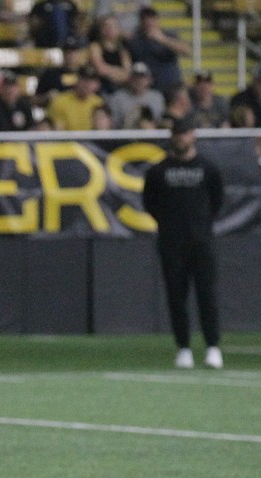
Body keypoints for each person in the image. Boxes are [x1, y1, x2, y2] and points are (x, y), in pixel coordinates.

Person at [142, 116, 225, 370]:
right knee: (176, 297)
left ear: (194, 135)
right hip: (171, 243)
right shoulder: (158, 171)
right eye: (177, 133)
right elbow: (150, 203)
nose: (181, 137)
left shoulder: (208, 169)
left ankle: (212, 347)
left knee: (207, 295)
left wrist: (199, 226)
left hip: (201, 242)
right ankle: (184, 348)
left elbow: (216, 201)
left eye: (185, 133)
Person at [126, 5, 189, 94]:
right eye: (146, 19)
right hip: (149, 88)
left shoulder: (169, 35)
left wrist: (162, 39)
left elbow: (186, 51)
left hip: (172, 85)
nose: (149, 22)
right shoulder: (135, 40)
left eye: (152, 19)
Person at [106, 61, 164, 129]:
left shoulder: (157, 97)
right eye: (136, 77)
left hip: (151, 137)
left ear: (149, 79)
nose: (139, 81)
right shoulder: (118, 98)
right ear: (130, 79)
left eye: (142, 77)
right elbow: (112, 125)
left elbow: (160, 123)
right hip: (125, 137)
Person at [34, 33, 86, 108]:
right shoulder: (51, 74)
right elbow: (35, 100)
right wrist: (46, 97)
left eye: (74, 51)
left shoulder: (86, 74)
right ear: (63, 53)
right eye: (67, 52)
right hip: (57, 113)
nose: (71, 55)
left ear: (79, 53)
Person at [47, 65, 103, 130]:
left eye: (92, 81)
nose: (87, 84)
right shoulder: (60, 101)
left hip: (93, 139)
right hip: (67, 139)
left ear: (97, 84)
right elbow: (56, 130)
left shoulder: (99, 103)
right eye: (84, 79)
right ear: (76, 80)